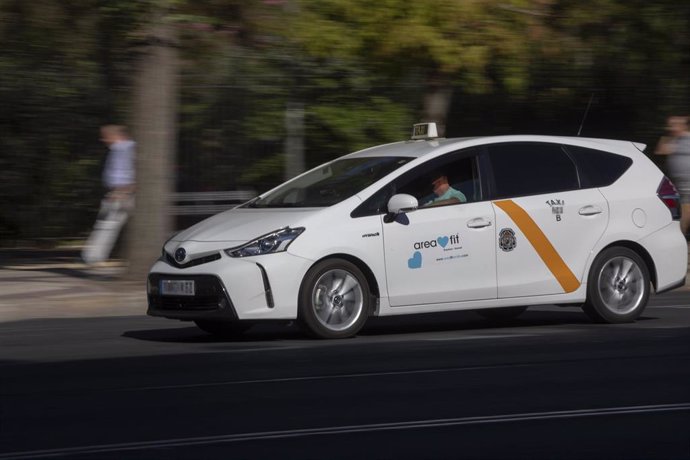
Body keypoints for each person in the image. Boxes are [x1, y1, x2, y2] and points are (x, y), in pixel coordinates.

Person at [82, 125, 136, 265]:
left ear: (115, 135)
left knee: (107, 225)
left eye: (105, 136)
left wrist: (121, 190)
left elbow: (123, 172)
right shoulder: (124, 148)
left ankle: (93, 257)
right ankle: (94, 257)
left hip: (122, 193)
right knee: (109, 225)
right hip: (123, 192)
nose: (103, 139)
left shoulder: (122, 149)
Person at [655, 115, 690, 235]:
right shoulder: (674, 140)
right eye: (670, 125)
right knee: (682, 212)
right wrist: (671, 135)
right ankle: (682, 237)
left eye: (674, 125)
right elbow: (661, 150)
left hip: (687, 183)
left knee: (685, 212)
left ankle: (681, 237)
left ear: (682, 125)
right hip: (677, 184)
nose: (671, 127)